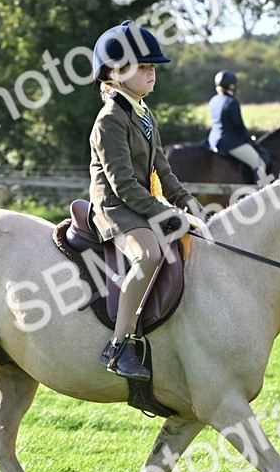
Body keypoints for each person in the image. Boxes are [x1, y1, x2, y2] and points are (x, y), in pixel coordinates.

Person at [89, 21, 209, 381]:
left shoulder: (143, 115)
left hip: (140, 204)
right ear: (115, 72)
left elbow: (163, 170)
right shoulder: (110, 119)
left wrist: (188, 201)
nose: (151, 72)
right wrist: (167, 213)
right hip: (115, 208)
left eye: (152, 66)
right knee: (150, 254)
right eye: (143, 67)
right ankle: (119, 345)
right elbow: (123, 184)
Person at [206, 70, 267, 184]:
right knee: (258, 164)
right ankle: (265, 194)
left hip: (213, 140)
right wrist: (248, 139)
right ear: (231, 85)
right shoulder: (232, 102)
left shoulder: (213, 100)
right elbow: (239, 126)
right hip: (229, 142)